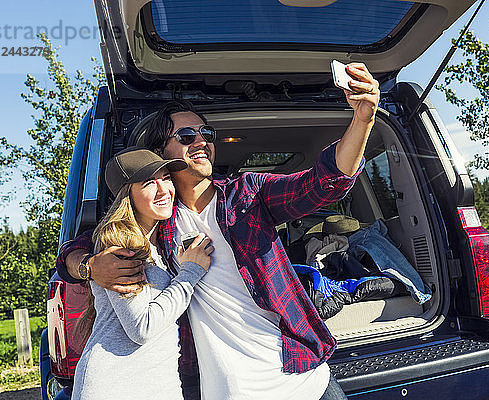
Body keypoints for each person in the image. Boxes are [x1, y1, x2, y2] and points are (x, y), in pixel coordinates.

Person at [57, 63, 380, 400]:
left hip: (302, 376)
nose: (201, 141)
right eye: (186, 136)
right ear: (160, 154)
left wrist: (363, 120)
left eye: (205, 134)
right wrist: (89, 266)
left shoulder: (247, 195)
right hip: (232, 390)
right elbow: (82, 247)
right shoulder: (158, 221)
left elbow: (321, 184)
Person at [71, 148, 213, 400]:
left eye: (166, 179)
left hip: (158, 382)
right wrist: (190, 273)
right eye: (149, 183)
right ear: (128, 196)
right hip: (115, 385)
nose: (163, 190)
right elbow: (142, 328)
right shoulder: (119, 244)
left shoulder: (159, 244)